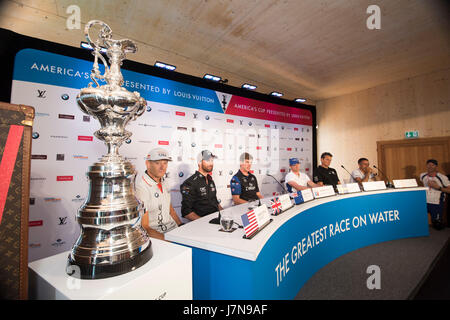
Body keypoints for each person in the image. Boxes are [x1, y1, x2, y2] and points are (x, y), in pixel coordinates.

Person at [135, 148, 182, 240]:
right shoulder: (141, 187)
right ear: (148, 164)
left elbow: (170, 209)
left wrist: (181, 226)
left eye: (165, 163)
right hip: (158, 236)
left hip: (173, 231)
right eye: (157, 163)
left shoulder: (164, 181)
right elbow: (145, 227)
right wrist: (169, 241)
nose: (162, 167)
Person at [180, 150, 223, 221]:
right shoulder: (189, 183)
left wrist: (224, 215)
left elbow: (215, 203)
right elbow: (187, 212)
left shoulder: (210, 180)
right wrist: (205, 223)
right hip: (202, 225)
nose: (211, 163)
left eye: (212, 160)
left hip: (216, 220)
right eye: (208, 160)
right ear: (199, 162)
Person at [420, 159, 450, 230]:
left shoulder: (442, 177)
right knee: (419, 219)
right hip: (425, 202)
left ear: (436, 166)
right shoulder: (422, 176)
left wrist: (438, 187)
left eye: (432, 165)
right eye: (428, 165)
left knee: (437, 224)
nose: (430, 166)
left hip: (437, 202)